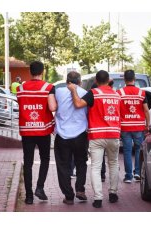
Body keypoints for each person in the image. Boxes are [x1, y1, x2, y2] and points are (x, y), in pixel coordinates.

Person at [68, 70, 121, 208]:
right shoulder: (117, 95)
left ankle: (98, 199)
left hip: (97, 135)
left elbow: (78, 104)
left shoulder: (94, 93)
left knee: (96, 167)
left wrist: (73, 90)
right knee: (113, 164)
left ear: (96, 81)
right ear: (109, 80)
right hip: (114, 134)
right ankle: (113, 193)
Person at [16, 61, 57, 204]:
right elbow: (52, 108)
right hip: (43, 130)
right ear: (42, 71)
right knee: (45, 159)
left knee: (28, 163)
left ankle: (28, 197)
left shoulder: (20, 88)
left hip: (27, 131)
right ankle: (39, 187)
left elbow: (20, 104)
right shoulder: (49, 88)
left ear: (30, 72)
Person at [54, 71, 89, 205]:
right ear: (79, 81)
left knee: (63, 165)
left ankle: (68, 196)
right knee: (81, 162)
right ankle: (80, 189)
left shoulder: (58, 92)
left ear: (67, 81)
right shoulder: (85, 92)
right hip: (80, 134)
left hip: (62, 135)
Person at [117, 70, 150, 183]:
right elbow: (146, 110)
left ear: (124, 79)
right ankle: (137, 173)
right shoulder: (141, 93)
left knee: (127, 150)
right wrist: (147, 124)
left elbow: (116, 110)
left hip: (125, 126)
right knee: (138, 150)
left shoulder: (119, 92)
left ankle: (128, 176)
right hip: (139, 127)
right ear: (134, 79)